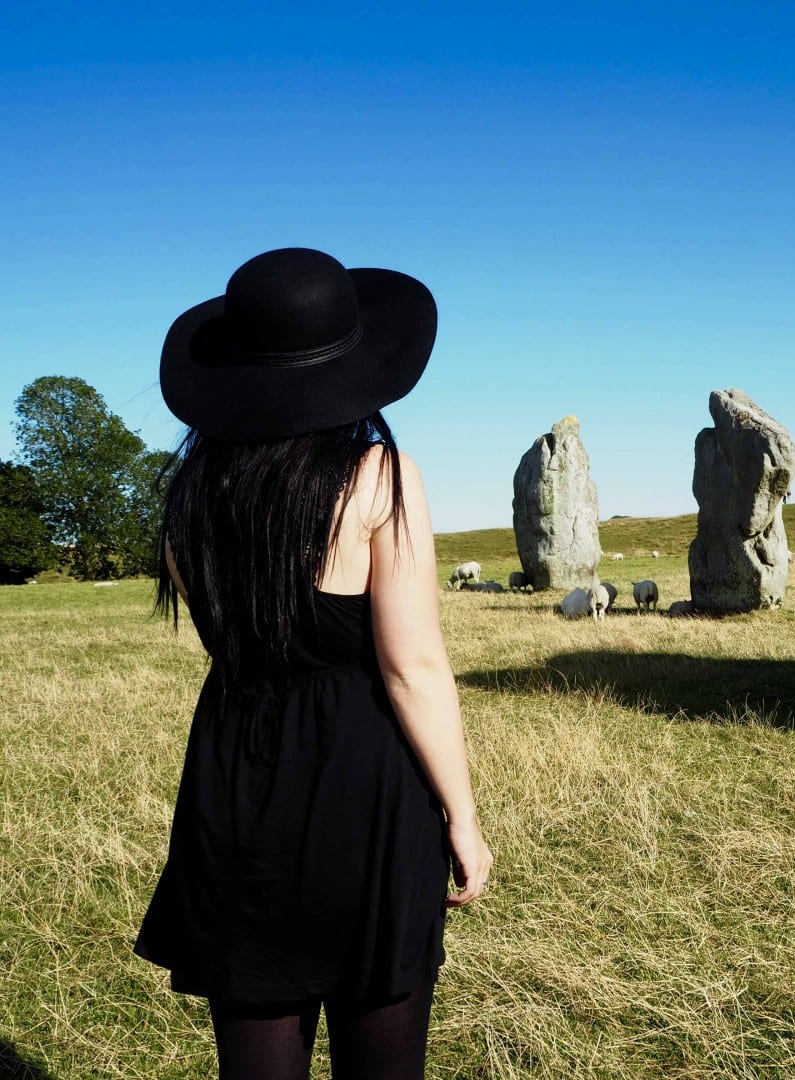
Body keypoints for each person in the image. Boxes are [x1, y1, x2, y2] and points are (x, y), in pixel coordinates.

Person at [136, 248, 492, 1079]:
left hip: (236, 775)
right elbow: (413, 669)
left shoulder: (187, 494)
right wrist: (463, 818)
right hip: (366, 783)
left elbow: (236, 641)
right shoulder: (381, 475)